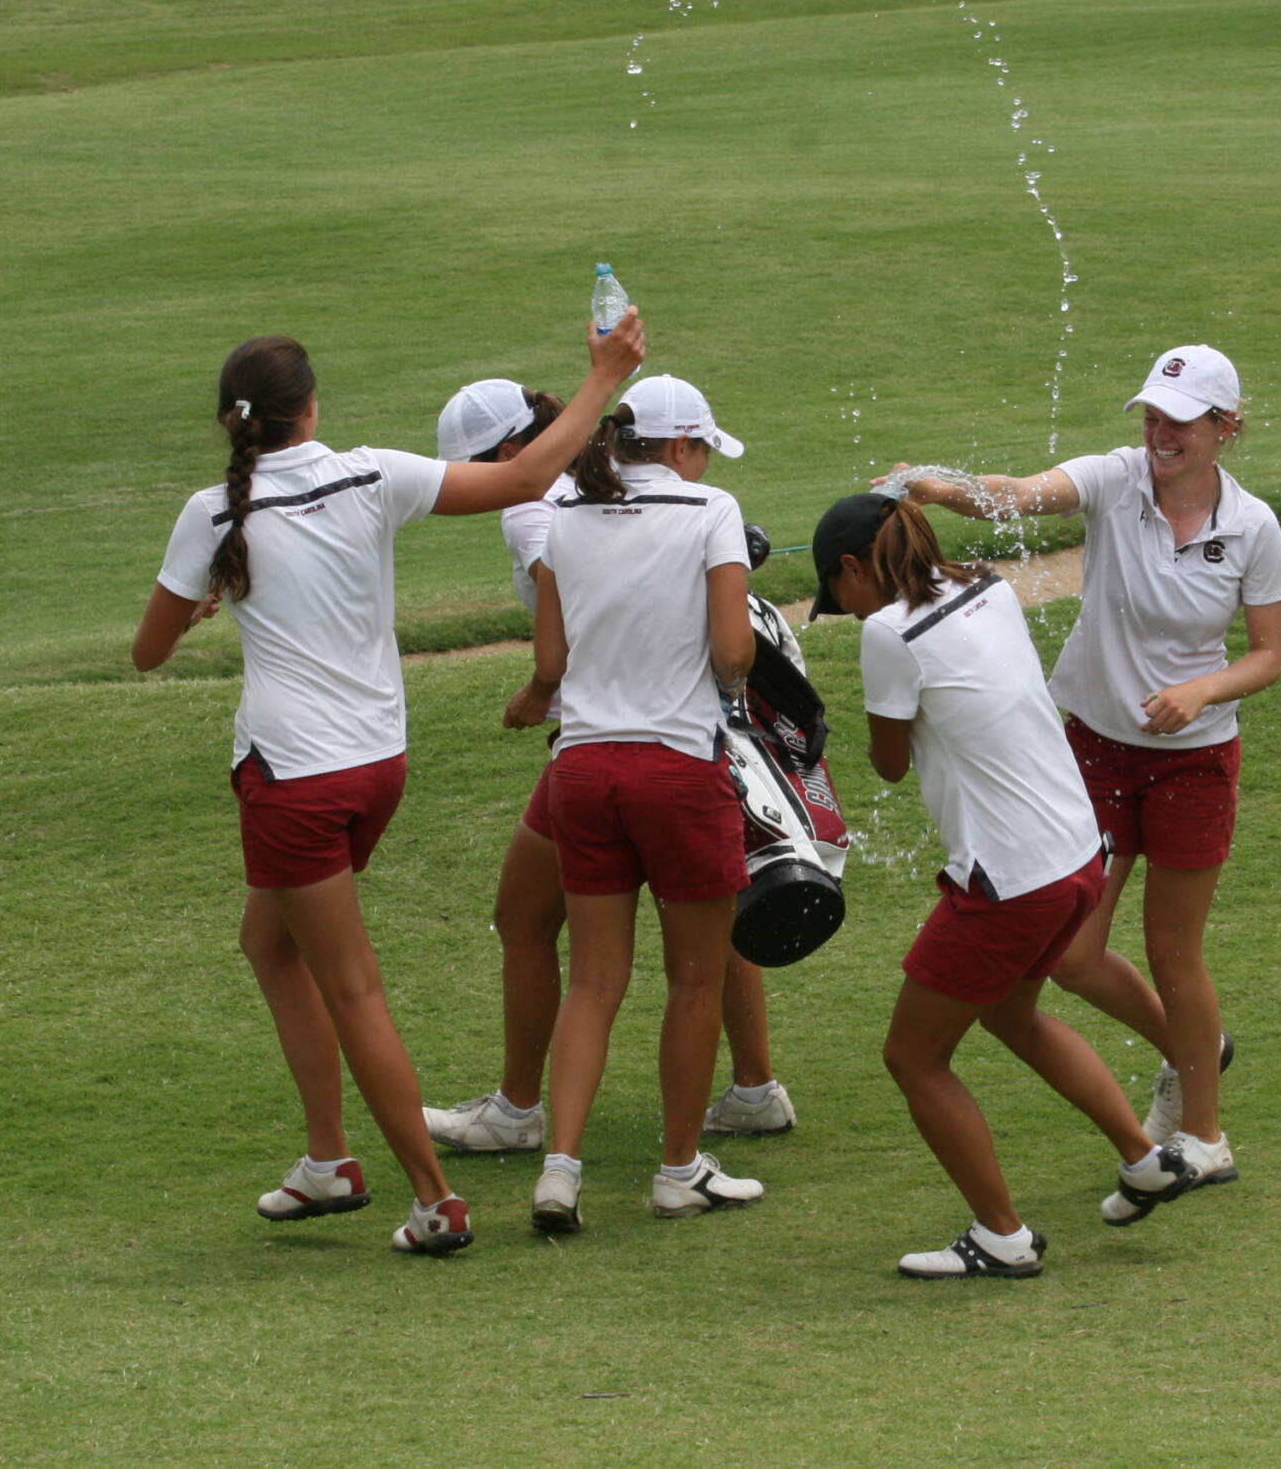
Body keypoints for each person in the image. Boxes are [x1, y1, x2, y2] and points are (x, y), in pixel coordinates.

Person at [132, 314, 644, 1255]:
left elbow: (147, 653)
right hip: (378, 766)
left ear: (234, 423)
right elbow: (527, 476)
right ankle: (327, 1159)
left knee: (353, 988)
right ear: (311, 409)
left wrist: (208, 600)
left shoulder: (213, 514)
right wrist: (602, 376)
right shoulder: (372, 472)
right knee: (269, 941)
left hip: (293, 777)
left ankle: (434, 1198)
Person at [891, 344, 1281, 1196]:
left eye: (1179, 424)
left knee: (1172, 950)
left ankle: (1206, 1131)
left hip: (1195, 761)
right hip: (1095, 751)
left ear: (1224, 429)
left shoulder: (1251, 527)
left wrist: (1202, 689)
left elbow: (1267, 657)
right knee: (1073, 954)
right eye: (1151, 417)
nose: (1159, 435)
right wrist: (936, 485)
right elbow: (1024, 495)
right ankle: (1193, 1052)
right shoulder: (1116, 479)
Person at [812, 493, 1203, 1277]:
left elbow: (889, 764)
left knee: (913, 1057)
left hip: (1008, 879)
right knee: (1010, 1014)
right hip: (1076, 855)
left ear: (856, 569)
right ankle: (1142, 1155)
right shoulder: (986, 583)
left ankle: (1002, 1236)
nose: (842, 610)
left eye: (837, 594)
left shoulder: (888, 632)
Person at [417, 379, 796, 1155]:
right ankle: (752, 1089)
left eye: (477, 467)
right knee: (704, 919)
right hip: (663, 742)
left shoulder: (540, 508)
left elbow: (578, 627)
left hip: (595, 749)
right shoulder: (620, 493)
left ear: (511, 453)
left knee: (533, 923)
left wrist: (540, 691)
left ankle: (526, 1113)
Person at [501, 374, 764, 1232]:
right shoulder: (710, 510)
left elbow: (551, 657)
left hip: (581, 768)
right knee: (695, 978)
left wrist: (541, 694)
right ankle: (679, 1167)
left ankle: (561, 1169)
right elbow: (732, 653)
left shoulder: (564, 514)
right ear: (682, 446)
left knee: (593, 981)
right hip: (677, 770)